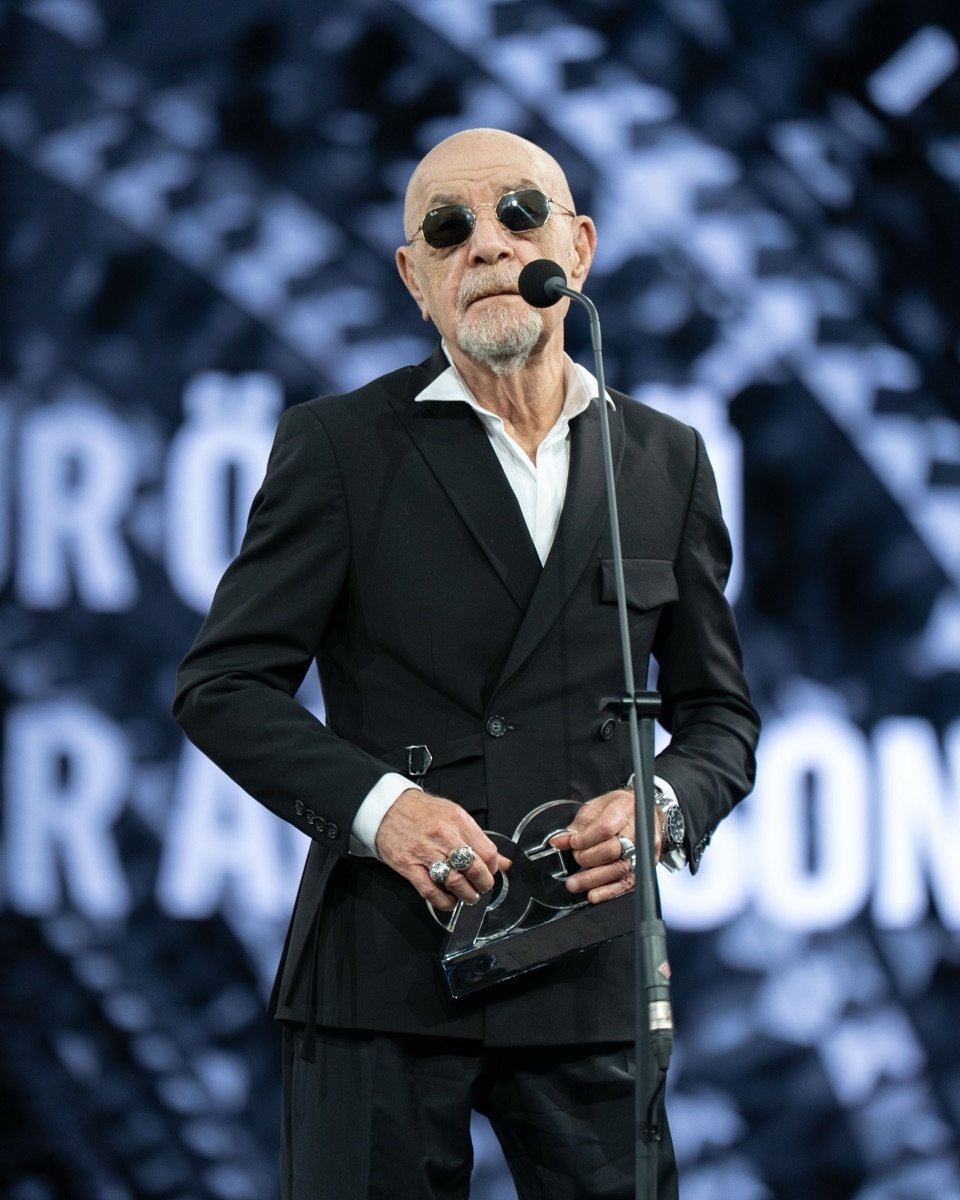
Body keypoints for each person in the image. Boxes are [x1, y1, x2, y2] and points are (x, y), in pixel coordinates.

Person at [173, 127, 760, 1200]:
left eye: (519, 214)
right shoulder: (342, 446)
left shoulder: (664, 459)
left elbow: (720, 715)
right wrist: (384, 809)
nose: (487, 245)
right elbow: (222, 686)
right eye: (448, 229)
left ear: (577, 248)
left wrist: (662, 804)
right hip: (382, 972)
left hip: (588, 972)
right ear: (415, 278)